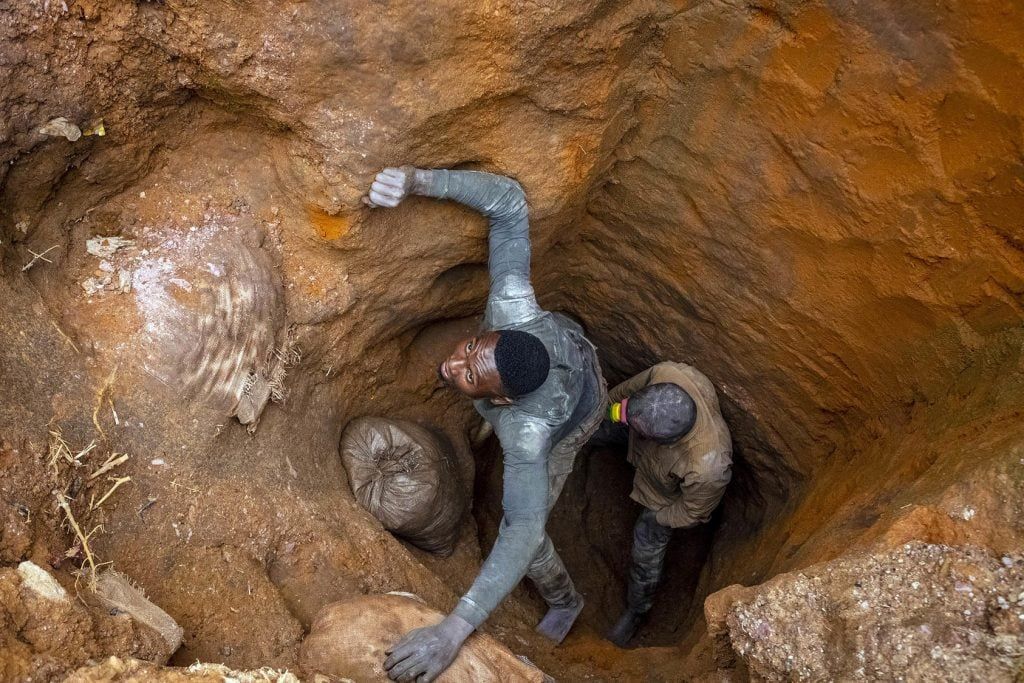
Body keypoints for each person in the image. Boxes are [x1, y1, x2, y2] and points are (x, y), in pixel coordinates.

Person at [364, 166, 607, 683]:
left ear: (499, 398)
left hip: (578, 416)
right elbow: (509, 202)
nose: (454, 364)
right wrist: (415, 181)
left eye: (470, 374)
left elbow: (524, 529)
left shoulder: (528, 432)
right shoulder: (511, 309)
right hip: (566, 340)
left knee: (532, 529)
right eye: (472, 348)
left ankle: (567, 600)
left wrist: (452, 631)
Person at [596, 362, 732, 647]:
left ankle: (636, 610)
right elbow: (623, 396)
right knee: (603, 423)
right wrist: (607, 413)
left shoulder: (708, 466)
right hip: (638, 432)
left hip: (662, 498)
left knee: (646, 547)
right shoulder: (668, 374)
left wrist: (658, 518)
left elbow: (693, 511)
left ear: (667, 441)